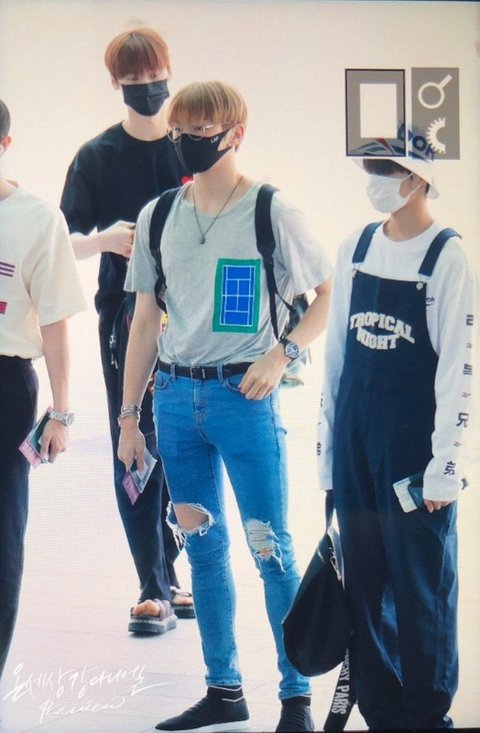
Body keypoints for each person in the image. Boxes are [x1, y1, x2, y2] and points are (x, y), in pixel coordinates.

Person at [118, 80, 332, 733]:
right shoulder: (159, 215)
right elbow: (145, 320)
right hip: (175, 400)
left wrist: (282, 355)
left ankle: (295, 696)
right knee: (203, 551)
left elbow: (326, 295)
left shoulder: (272, 211)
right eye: (181, 129)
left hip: (245, 399)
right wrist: (129, 417)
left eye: (202, 129)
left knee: (271, 549)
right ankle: (224, 689)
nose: (188, 139)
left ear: (236, 133)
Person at [317, 152, 476, 729]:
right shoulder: (357, 248)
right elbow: (334, 358)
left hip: (414, 448)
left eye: (387, 170)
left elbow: (458, 370)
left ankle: (426, 715)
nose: (376, 182)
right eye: (371, 169)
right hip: (356, 440)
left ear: (418, 178)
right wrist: (328, 455)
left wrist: (445, 466)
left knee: (421, 584)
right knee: (364, 580)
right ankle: (381, 713)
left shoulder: (447, 256)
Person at [60, 28, 194, 633]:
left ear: (170, 70)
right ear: (115, 83)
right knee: (133, 435)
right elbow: (61, 240)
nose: (147, 87)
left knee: (183, 441)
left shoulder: (190, 150)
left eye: (154, 76)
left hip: (194, 316)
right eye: (134, 79)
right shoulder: (97, 157)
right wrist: (105, 241)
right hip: (124, 317)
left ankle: (170, 572)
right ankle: (152, 584)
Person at [0, 98, 86, 681]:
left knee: (1, 537)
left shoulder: (36, 219)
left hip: (5, 384)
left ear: (4, 146)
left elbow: (55, 320)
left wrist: (62, 411)